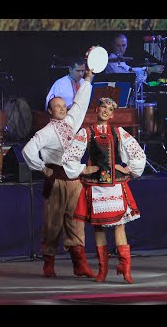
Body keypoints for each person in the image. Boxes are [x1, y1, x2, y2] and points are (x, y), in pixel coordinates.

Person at [62, 97, 146, 284]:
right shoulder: (87, 132)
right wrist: (84, 168)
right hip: (97, 186)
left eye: (110, 109)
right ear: (97, 109)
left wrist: (127, 168)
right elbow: (70, 156)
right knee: (98, 227)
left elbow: (137, 153)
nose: (106, 111)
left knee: (119, 225)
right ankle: (103, 270)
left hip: (115, 185)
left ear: (113, 114)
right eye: (103, 107)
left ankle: (125, 267)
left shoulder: (118, 132)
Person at [22, 68, 95, 279]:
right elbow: (28, 150)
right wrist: (42, 168)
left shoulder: (72, 122)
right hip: (57, 181)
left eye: (63, 106)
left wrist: (88, 79)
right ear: (50, 111)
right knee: (53, 222)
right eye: (57, 107)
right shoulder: (45, 132)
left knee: (76, 222)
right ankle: (49, 263)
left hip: (75, 181)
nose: (62, 109)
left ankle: (79, 263)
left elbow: (80, 103)